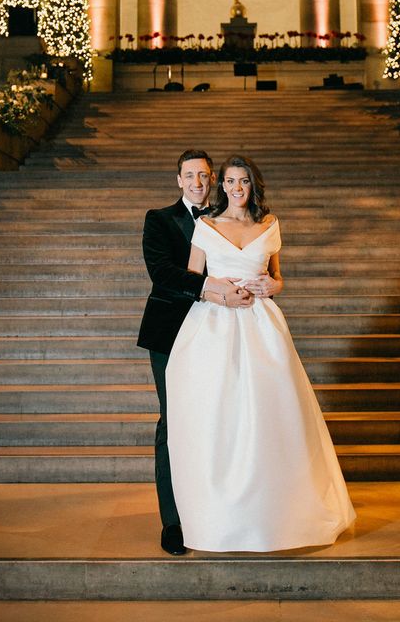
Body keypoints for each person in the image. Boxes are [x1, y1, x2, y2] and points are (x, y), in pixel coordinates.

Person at [166, 154, 356, 552]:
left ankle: (275, 513)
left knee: (272, 418)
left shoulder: (270, 226)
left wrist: (275, 287)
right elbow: (191, 278)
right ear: (223, 186)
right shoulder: (206, 226)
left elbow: (277, 276)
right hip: (214, 326)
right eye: (231, 182)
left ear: (254, 186)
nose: (236, 188)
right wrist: (222, 293)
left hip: (262, 328)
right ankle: (219, 516)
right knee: (221, 419)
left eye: (244, 182)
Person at [139, 149, 253, 556]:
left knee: (222, 422)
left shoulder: (231, 218)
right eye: (190, 175)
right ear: (179, 180)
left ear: (215, 180)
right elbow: (163, 273)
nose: (198, 182)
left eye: (204, 175)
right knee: (174, 423)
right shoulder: (159, 219)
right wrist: (210, 288)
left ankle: (215, 511)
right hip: (171, 334)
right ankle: (173, 521)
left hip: (222, 334)